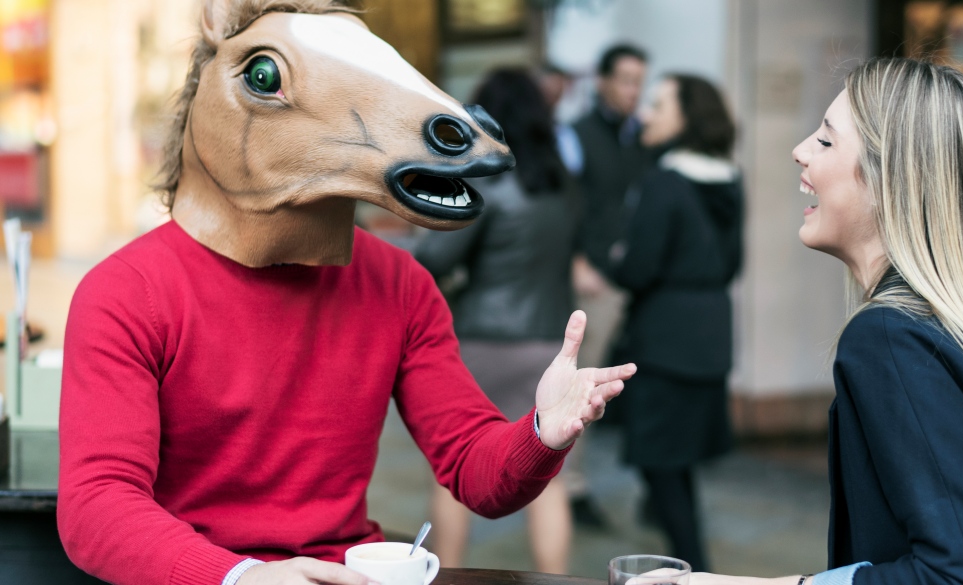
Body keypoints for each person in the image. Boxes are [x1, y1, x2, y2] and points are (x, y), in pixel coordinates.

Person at [56, 3, 636, 585]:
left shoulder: (400, 285)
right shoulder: (126, 293)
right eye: (266, 76)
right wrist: (243, 577)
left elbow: (471, 466)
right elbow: (97, 505)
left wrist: (540, 432)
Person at [689, 57, 963, 585]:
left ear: (890, 178)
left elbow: (959, 576)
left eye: (827, 141)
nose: (800, 150)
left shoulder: (893, 337)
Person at [414, 68, 579, 574]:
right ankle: (555, 581)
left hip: (483, 340)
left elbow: (434, 257)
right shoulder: (565, 184)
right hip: (551, 342)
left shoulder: (487, 184)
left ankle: (448, 576)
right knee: (549, 476)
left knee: (457, 468)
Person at [603, 74, 743, 573]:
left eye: (659, 104)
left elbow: (637, 268)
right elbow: (732, 263)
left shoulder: (666, 181)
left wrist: (617, 257)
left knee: (660, 462)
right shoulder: (729, 177)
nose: (646, 113)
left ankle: (693, 571)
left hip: (664, 339)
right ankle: (690, 565)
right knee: (676, 463)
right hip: (711, 335)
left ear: (686, 117)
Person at [569, 43, 651, 528]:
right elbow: (568, 201)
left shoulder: (639, 136)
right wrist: (577, 261)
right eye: (624, 79)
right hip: (595, 280)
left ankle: (652, 489)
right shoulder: (576, 134)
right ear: (601, 81)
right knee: (588, 385)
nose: (633, 91)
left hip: (635, 280)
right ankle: (572, 488)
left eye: (639, 81)